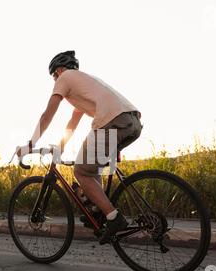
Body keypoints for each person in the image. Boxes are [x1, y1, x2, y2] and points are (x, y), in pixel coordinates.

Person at [17, 50, 143, 245]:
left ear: (58, 70)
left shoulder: (65, 78)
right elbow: (73, 123)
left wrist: (30, 145)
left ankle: (113, 217)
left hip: (113, 122)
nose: (54, 81)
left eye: (53, 77)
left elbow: (47, 115)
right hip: (132, 122)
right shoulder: (84, 83)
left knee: (81, 172)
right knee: (92, 170)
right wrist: (60, 146)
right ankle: (100, 211)